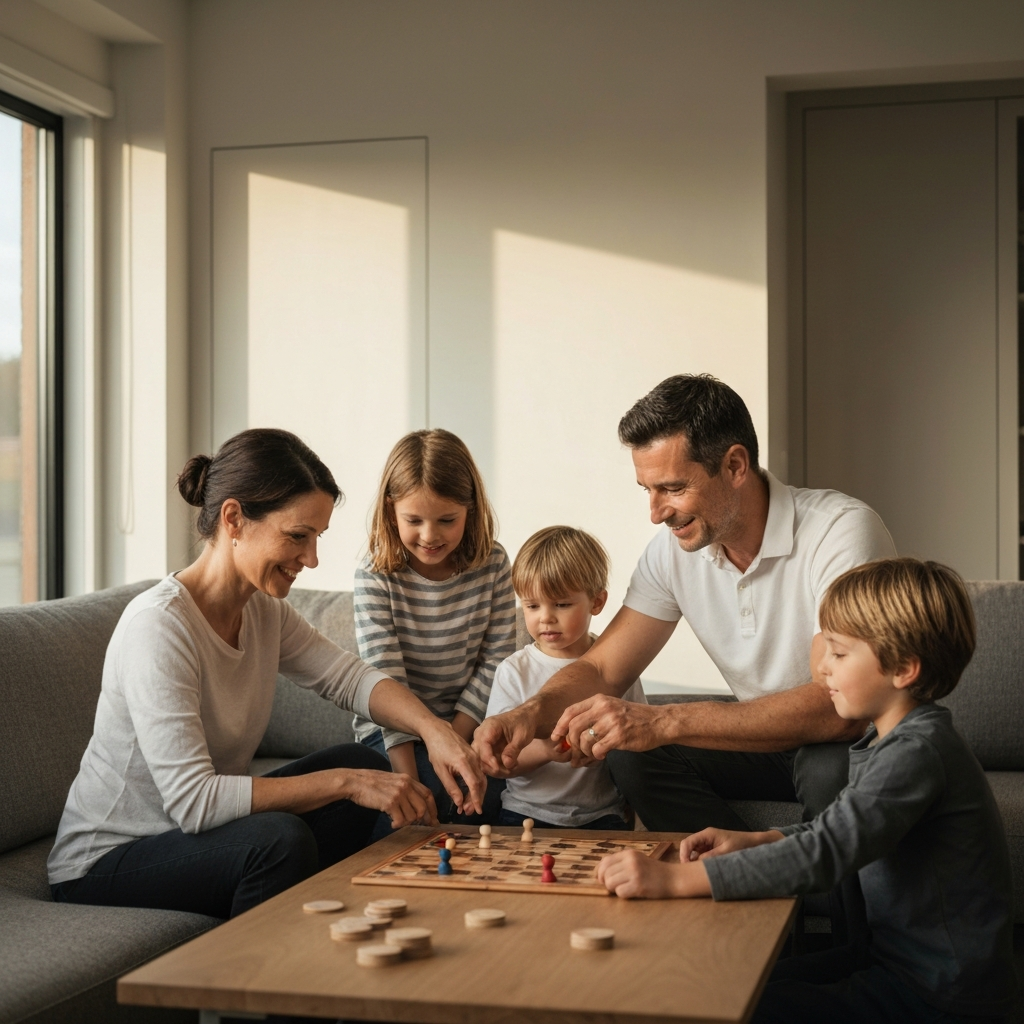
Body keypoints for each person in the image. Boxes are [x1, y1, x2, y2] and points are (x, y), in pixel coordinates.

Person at [48, 428, 486, 921]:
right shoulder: (160, 626)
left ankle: (356, 920)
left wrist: (435, 730)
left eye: (316, 538)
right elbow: (194, 801)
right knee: (281, 838)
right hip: (109, 862)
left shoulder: (262, 610)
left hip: (195, 837)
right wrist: (345, 782)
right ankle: (260, 988)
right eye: (297, 536)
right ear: (234, 518)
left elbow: (350, 679)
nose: (312, 559)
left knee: (371, 765)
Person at [595, 558, 1016, 1024]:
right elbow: (837, 827)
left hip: (938, 996)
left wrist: (675, 880)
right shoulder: (893, 738)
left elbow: (828, 850)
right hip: (892, 962)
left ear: (903, 669)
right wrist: (758, 839)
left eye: (838, 653)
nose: (821, 670)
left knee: (726, 1006)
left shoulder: (918, 752)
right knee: (726, 983)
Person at [474, 374, 896, 834]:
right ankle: (735, 874)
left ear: (735, 465)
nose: (655, 513)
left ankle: (790, 880)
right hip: (765, 743)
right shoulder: (672, 551)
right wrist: (529, 713)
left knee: (825, 769)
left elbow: (839, 710)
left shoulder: (840, 531)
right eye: (647, 490)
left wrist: (664, 720)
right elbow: (602, 669)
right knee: (630, 756)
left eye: (672, 488)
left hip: (853, 740)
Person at [353, 429, 515, 824]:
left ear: (471, 510)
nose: (429, 536)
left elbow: (496, 661)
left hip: (467, 724)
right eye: (414, 520)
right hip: (392, 736)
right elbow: (384, 680)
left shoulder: (493, 563)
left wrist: (455, 742)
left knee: (487, 795)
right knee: (424, 799)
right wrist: (408, 783)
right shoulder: (375, 574)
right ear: (391, 511)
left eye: (447, 519)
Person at [485, 526, 646, 831]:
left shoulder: (621, 667)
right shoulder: (513, 671)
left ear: (596, 602)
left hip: (603, 816)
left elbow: (640, 748)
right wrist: (546, 751)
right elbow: (499, 762)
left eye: (561, 604)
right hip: (525, 816)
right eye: (532, 605)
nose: (545, 617)